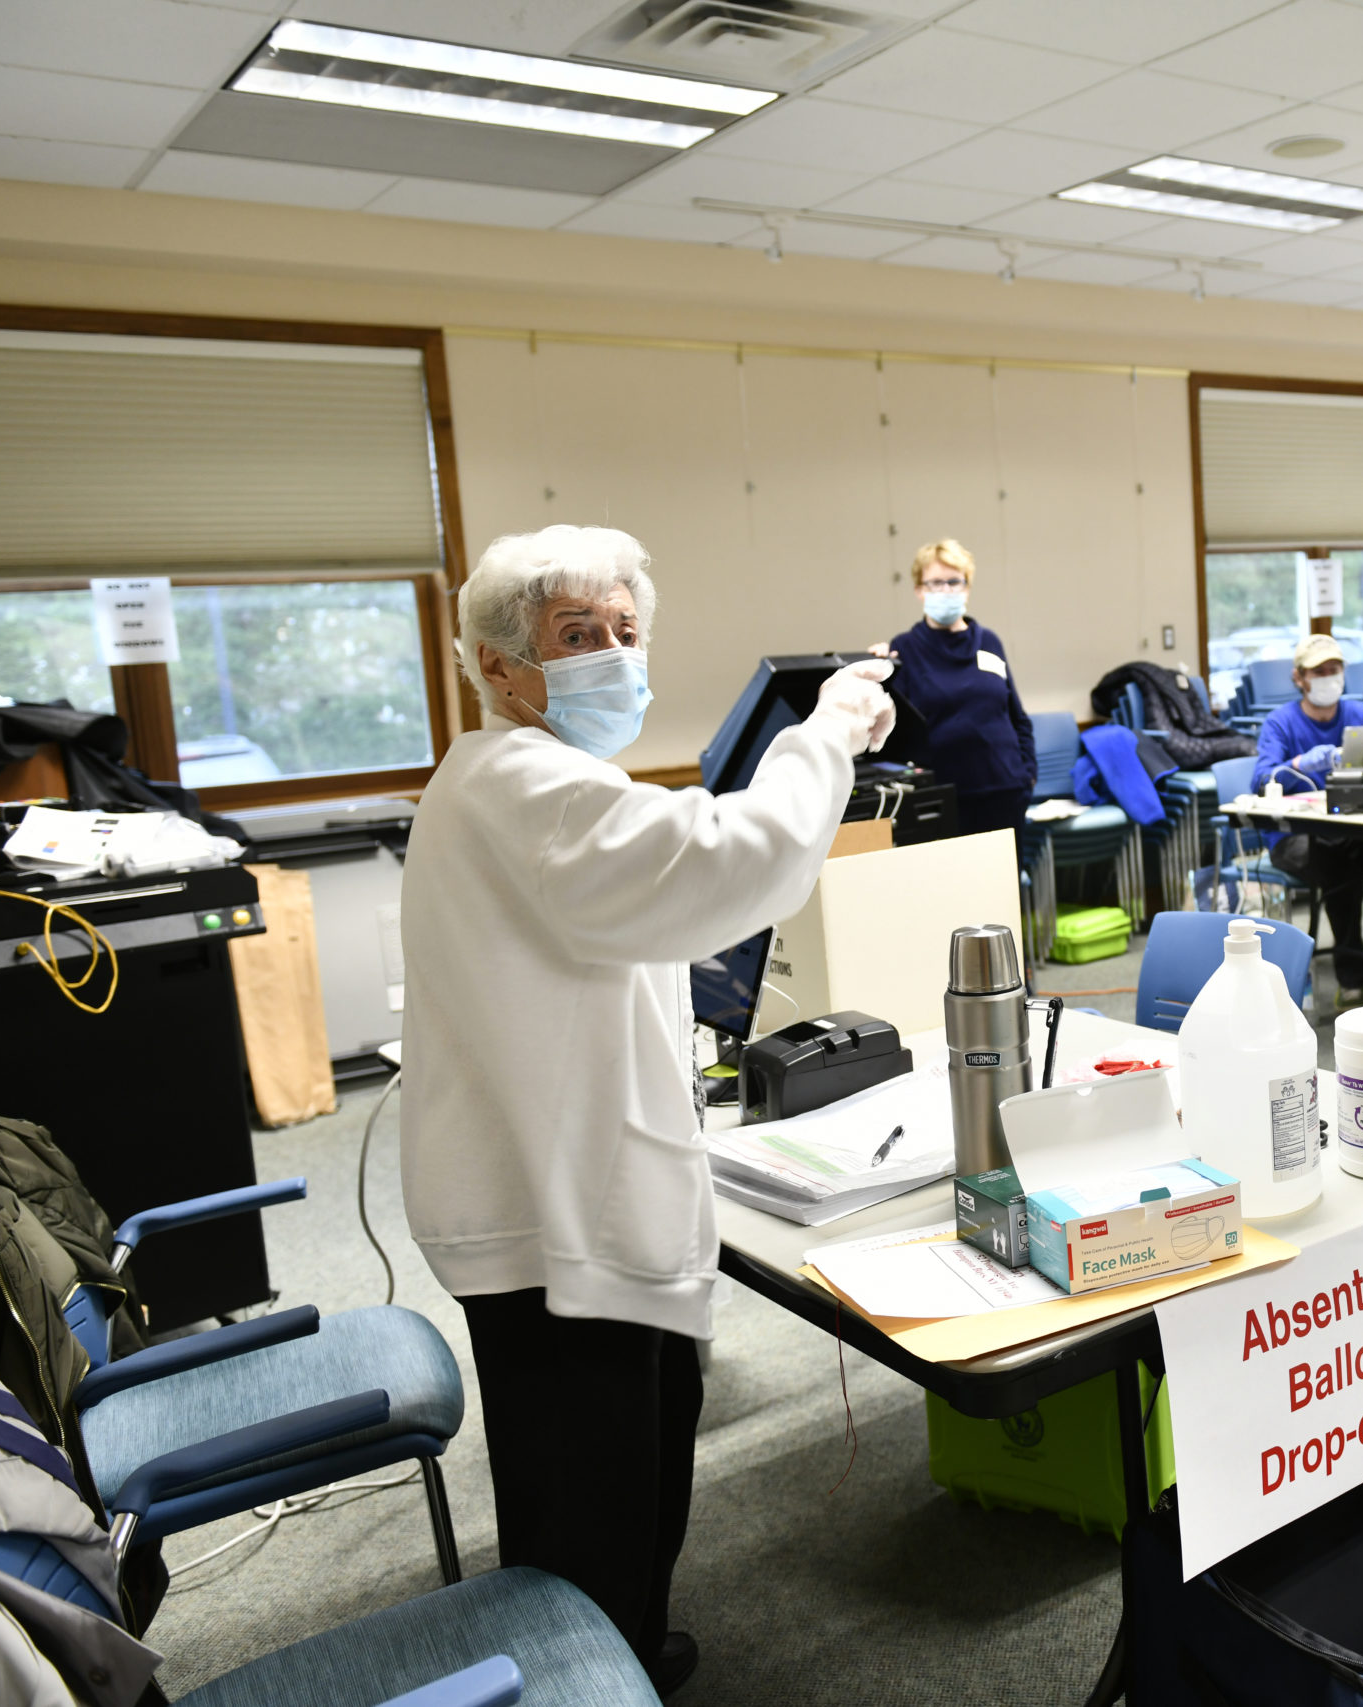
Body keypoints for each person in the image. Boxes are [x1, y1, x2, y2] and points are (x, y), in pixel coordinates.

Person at [400, 525, 896, 1691]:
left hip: (563, 1188)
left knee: (627, 1468)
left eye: (627, 634)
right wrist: (825, 730)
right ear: (496, 666)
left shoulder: (535, 778)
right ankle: (596, 1668)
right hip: (556, 1217)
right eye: (577, 637)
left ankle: (622, 1647)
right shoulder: (523, 783)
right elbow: (737, 856)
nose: (612, 658)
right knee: (593, 1500)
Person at [1248, 631, 1363, 1006]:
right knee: (1338, 872)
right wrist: (1300, 764)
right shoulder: (1281, 723)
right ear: (1299, 678)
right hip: (1295, 837)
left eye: (1335, 669)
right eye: (1319, 671)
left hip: (1358, 830)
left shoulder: (1357, 714)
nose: (1329, 677)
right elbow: (1261, 779)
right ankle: (1352, 979)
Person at [869, 538, 1039, 840]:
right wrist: (879, 672)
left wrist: (1028, 774)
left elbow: (1017, 717)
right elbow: (896, 731)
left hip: (1005, 790)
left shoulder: (989, 642)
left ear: (967, 587)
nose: (945, 590)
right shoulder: (904, 649)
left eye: (954, 582)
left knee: (1006, 885)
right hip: (944, 798)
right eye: (935, 583)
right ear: (919, 590)